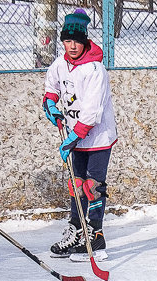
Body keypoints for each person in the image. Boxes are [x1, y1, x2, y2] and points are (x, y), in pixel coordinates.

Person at [42, 8, 118, 261]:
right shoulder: (60, 64)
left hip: (97, 138)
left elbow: (92, 113)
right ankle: (76, 230)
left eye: (77, 41)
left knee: (92, 186)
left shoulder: (95, 70)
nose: (72, 46)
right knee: (76, 184)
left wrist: (72, 138)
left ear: (85, 41)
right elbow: (51, 87)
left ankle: (95, 236)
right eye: (67, 40)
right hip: (75, 138)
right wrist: (51, 105)